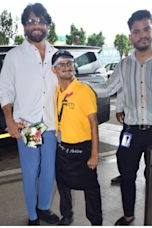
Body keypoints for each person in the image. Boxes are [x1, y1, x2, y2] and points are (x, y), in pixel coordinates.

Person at [0, 3, 59, 225]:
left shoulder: (56, 55)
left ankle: (43, 208)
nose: (36, 25)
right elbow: (4, 90)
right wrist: (9, 120)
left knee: (49, 171)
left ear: (47, 25)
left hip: (51, 125)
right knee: (31, 171)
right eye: (31, 21)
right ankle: (32, 216)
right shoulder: (15, 56)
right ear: (24, 25)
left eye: (41, 21)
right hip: (30, 125)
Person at [93, 9, 152, 226]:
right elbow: (107, 88)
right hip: (131, 131)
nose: (142, 35)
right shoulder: (124, 65)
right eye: (136, 32)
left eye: (146, 29)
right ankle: (129, 215)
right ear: (131, 36)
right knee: (126, 173)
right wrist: (76, 86)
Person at [52, 50, 103, 225]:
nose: (67, 67)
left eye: (70, 63)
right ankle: (66, 215)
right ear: (54, 70)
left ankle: (96, 221)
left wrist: (95, 154)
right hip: (62, 148)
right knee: (62, 184)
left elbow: (93, 123)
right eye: (62, 64)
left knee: (91, 189)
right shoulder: (56, 91)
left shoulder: (83, 90)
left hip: (83, 149)